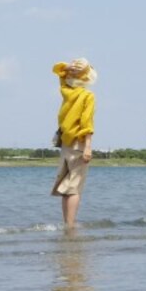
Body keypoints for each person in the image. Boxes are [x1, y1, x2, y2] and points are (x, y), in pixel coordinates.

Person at [51, 58, 97, 229]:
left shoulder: (66, 91)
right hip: (78, 143)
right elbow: (87, 123)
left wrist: (67, 68)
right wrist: (88, 147)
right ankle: (71, 226)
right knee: (75, 187)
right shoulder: (87, 96)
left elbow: (58, 71)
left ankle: (67, 223)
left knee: (66, 186)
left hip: (65, 144)